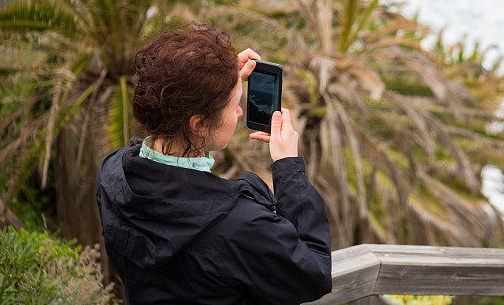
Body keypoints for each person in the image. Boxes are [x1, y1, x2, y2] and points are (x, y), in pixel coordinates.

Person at [95, 23, 332, 305]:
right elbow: (313, 273)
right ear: (198, 124)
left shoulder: (112, 173)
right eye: (233, 105)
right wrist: (288, 167)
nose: (240, 111)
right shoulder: (240, 226)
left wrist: (212, 79)